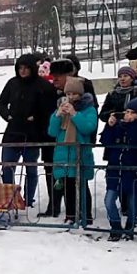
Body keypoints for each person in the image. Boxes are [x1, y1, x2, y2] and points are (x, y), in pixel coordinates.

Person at [0, 54, 56, 207]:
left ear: (32, 69)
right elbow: (1, 103)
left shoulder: (42, 85)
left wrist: (36, 117)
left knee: (31, 168)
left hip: (32, 133)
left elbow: (49, 109)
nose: (23, 71)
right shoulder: (12, 83)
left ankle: (29, 200)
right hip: (12, 131)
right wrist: (8, 116)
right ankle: (11, 198)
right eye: (20, 68)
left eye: (26, 68)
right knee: (7, 167)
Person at [100, 97, 137, 241]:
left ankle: (130, 227)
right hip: (115, 169)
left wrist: (131, 124)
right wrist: (110, 126)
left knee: (132, 202)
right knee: (109, 200)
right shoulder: (118, 126)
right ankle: (115, 226)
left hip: (133, 170)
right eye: (126, 111)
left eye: (132, 112)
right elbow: (105, 141)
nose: (127, 115)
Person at [48, 78, 97, 226]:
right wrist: (57, 116)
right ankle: (70, 215)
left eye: (74, 94)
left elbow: (88, 127)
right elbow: (51, 132)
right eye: (68, 93)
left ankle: (86, 215)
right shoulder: (60, 109)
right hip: (64, 154)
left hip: (79, 154)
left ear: (80, 94)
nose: (70, 97)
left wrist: (75, 114)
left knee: (81, 186)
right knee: (68, 187)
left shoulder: (89, 109)